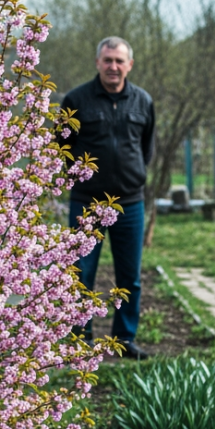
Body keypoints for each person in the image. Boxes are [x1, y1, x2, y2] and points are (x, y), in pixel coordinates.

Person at [62, 36, 155, 360]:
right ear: (97, 62)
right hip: (86, 202)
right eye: (107, 60)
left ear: (129, 64)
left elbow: (146, 148)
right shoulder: (76, 100)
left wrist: (133, 176)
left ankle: (123, 339)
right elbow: (62, 146)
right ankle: (79, 338)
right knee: (81, 273)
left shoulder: (143, 101)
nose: (113, 66)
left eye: (119, 61)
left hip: (130, 203)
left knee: (130, 275)